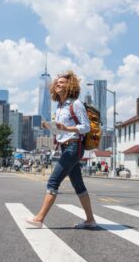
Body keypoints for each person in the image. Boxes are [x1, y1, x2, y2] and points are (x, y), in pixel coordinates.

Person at [26, 70, 96, 229]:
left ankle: (39, 219)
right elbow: (59, 131)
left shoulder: (75, 104)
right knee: (79, 185)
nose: (58, 84)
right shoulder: (58, 107)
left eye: (62, 82)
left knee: (53, 182)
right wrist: (50, 127)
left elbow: (85, 127)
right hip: (65, 147)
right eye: (57, 83)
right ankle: (90, 220)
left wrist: (66, 127)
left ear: (70, 86)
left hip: (74, 146)